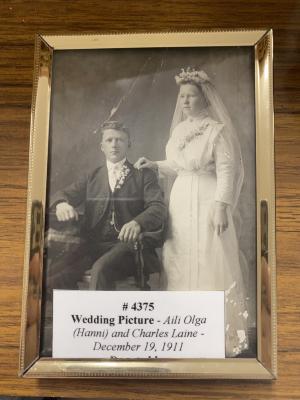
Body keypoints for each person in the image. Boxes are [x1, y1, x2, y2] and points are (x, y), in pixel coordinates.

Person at [135, 68, 249, 356]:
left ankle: (217, 334)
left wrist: (221, 206)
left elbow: (226, 170)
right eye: (182, 96)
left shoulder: (215, 130)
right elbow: (177, 165)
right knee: (180, 255)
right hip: (182, 197)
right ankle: (185, 331)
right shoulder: (179, 131)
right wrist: (154, 165)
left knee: (211, 256)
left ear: (204, 98)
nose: (184, 101)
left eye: (191, 96)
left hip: (208, 198)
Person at [46, 120, 167, 291]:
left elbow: (158, 207)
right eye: (109, 140)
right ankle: (74, 314)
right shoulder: (92, 176)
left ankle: (100, 316)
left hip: (129, 247)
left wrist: (137, 223)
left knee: (100, 270)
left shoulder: (143, 175)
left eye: (120, 140)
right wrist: (60, 204)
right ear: (101, 146)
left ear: (129, 144)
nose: (114, 145)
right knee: (57, 272)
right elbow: (63, 194)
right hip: (93, 244)